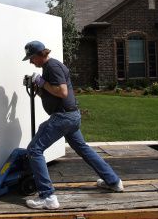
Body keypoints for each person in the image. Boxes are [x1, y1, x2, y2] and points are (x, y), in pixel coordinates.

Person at [22, 40, 123, 210]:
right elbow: (51, 95)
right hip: (70, 116)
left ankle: (47, 197)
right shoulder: (48, 68)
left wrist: (42, 82)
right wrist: (37, 87)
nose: (31, 62)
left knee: (34, 150)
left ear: (40, 55)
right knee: (83, 148)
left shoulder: (52, 67)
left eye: (31, 58)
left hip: (64, 117)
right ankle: (113, 181)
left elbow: (62, 92)